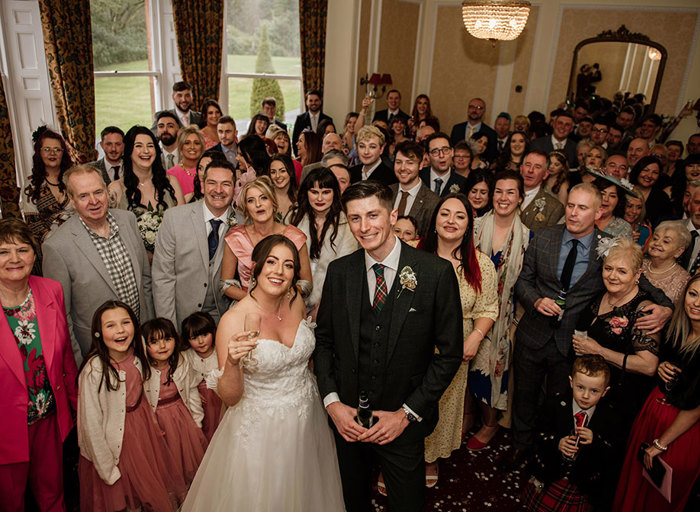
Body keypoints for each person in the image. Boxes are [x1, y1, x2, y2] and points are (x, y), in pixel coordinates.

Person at [313, 181, 463, 512]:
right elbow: (323, 341)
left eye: (372, 215)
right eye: (355, 218)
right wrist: (333, 404)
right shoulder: (340, 272)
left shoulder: (435, 274)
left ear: (392, 214)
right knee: (351, 501)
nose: (364, 227)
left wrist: (406, 414)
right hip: (349, 420)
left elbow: (450, 354)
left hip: (401, 423)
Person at [508, 183, 672, 470]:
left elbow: (641, 282)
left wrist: (666, 307)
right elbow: (523, 281)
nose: (573, 213)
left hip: (571, 342)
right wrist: (536, 301)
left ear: (598, 212)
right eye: (571, 205)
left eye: (582, 208)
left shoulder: (607, 246)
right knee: (524, 395)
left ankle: (552, 454)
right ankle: (520, 447)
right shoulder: (544, 237)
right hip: (533, 334)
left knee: (561, 403)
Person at [182, 235, 345, 510]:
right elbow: (230, 398)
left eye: (288, 265)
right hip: (261, 428)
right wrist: (233, 363)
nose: (279, 271)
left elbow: (304, 359)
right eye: (271, 262)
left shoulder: (295, 301)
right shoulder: (233, 321)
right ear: (255, 267)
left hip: (307, 416)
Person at [0, 219, 78, 511]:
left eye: (22, 249)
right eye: (4, 251)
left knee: (53, 496)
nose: (14, 259)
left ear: (35, 254)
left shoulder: (50, 290)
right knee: (10, 502)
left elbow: (65, 354)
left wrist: (75, 404)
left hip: (48, 415)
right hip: (4, 425)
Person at [77, 301, 185, 511]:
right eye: (110, 325)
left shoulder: (138, 355)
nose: (120, 330)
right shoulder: (95, 371)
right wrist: (106, 468)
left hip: (142, 434)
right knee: (122, 496)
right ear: (98, 333)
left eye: (125, 322)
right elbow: (90, 425)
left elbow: (144, 395)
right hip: (114, 445)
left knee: (149, 489)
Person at [42, 165, 154, 363]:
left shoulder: (128, 221)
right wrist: (79, 363)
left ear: (107, 191)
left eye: (98, 192)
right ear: (72, 201)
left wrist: (149, 330)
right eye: (83, 196)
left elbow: (145, 280)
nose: (93, 201)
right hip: (98, 352)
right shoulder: (56, 246)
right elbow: (61, 316)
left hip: (140, 340)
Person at [422, 194, 498, 481]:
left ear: (469, 225)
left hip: (456, 347)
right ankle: (400, 460)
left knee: (443, 403)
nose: (451, 221)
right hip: (414, 345)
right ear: (434, 220)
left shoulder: (481, 264)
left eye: (460, 216)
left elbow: (489, 307)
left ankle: (430, 458)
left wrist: (476, 337)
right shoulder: (416, 255)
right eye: (445, 214)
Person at [613, 274, 700, 512]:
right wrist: (661, 365)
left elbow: (695, 408)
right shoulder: (678, 329)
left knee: (657, 497)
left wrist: (661, 444)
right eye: (693, 294)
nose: (697, 303)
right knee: (635, 484)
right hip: (653, 413)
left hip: (680, 432)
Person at [572, 238, 661, 432]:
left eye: (622, 271)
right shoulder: (601, 293)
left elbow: (648, 365)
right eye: (608, 268)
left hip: (618, 400)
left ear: (637, 274)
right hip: (588, 392)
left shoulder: (644, 310)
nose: (612, 276)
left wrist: (598, 351)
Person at [472, 171, 530, 444]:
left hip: (506, 319)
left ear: (520, 198)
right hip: (471, 309)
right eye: (498, 191)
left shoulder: (528, 238)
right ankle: (466, 416)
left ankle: (490, 422)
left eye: (510, 192)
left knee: (491, 369)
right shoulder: (475, 227)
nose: (503, 197)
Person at [523, 355, 624, 512]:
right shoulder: (555, 404)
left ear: (605, 391)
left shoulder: (609, 416)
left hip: (582, 482)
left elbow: (614, 452)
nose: (585, 396)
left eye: (594, 391)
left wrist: (595, 440)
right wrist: (557, 442)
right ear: (571, 382)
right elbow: (538, 433)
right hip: (549, 474)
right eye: (580, 387)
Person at [152, 160, 239, 328]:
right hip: (182, 319)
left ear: (234, 189)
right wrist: (169, 329)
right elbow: (163, 278)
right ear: (202, 186)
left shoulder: (243, 223)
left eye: (226, 184)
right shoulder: (174, 219)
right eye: (212, 183)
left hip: (226, 321)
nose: (219, 190)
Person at [221, 176, 312, 303]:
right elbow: (225, 285)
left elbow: (306, 284)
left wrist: (281, 297)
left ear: (273, 203)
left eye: (264, 198)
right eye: (251, 200)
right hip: (248, 308)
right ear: (246, 208)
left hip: (285, 307)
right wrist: (256, 301)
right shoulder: (236, 237)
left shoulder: (295, 237)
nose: (258, 204)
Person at [142, 318, 207, 487]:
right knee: (164, 460)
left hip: (181, 420)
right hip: (158, 421)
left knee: (186, 459)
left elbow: (192, 391)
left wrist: (197, 422)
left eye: (167, 339)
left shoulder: (181, 363)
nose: (162, 346)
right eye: (154, 342)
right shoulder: (143, 370)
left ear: (176, 340)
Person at [288, 167, 357, 317]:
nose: (319, 199)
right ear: (306, 193)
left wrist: (321, 307)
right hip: (292, 295)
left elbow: (344, 275)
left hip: (331, 301)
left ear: (335, 193)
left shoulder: (346, 224)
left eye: (326, 192)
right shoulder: (294, 217)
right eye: (314, 192)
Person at [108, 126, 185, 256]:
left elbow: (183, 224)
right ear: (129, 151)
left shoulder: (171, 182)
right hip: (133, 260)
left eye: (150, 146)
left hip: (172, 257)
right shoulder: (115, 189)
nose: (146, 151)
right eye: (138, 146)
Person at [24, 126, 74, 247]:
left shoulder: (74, 178)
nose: (52, 153)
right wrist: (54, 242)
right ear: (39, 152)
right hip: (49, 245)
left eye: (57, 149)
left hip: (80, 240)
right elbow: (33, 223)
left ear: (63, 153)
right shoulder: (32, 184)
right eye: (47, 149)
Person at [181, 311, 222, 442]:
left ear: (213, 332)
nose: (200, 341)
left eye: (205, 335)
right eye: (194, 338)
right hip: (197, 403)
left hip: (220, 401)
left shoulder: (220, 352)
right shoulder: (186, 356)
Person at [390, 141, 440, 238]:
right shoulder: (386, 193)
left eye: (409, 163)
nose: (403, 168)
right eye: (398, 162)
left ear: (421, 165)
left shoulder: (433, 202)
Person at [642, 221, 691, 305]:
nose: (657, 243)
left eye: (666, 241)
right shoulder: (637, 264)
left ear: (678, 251)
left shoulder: (684, 281)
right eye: (655, 238)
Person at [519, 150, 565, 231]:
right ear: (521, 169)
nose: (530, 170)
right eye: (528, 165)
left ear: (545, 175)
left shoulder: (554, 207)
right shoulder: (503, 195)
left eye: (537, 167)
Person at [450, 97, 498, 163]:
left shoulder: (491, 133)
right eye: (471, 107)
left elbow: (491, 156)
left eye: (478, 108)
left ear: (484, 111)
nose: (474, 110)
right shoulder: (457, 128)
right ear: (468, 109)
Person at [419, 132, 467, 197]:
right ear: (427, 156)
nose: (441, 155)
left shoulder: (463, 183)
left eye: (445, 150)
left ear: (452, 152)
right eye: (435, 151)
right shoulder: (418, 177)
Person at [629, 155, 672, 227]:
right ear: (638, 170)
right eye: (645, 170)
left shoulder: (662, 198)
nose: (649, 175)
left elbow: (666, 224)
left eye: (655, 173)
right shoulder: (625, 190)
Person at [165, 125, 205, 201]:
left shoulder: (209, 171)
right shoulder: (170, 175)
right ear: (180, 147)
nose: (192, 147)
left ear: (202, 147)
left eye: (196, 143)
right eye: (187, 143)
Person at [292, 89, 333, 154]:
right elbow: (295, 140)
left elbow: (332, 138)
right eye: (311, 100)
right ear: (306, 102)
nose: (313, 103)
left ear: (320, 101)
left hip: (323, 155)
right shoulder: (300, 119)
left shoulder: (328, 119)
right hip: (306, 155)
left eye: (316, 100)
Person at [269, 153, 298, 221]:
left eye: (282, 171)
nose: (277, 176)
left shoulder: (300, 197)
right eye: (273, 172)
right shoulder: (265, 196)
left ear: (290, 171)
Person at [625, 186, 653, 250]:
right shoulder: (609, 224)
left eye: (639, 207)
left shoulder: (645, 231)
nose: (634, 211)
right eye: (629, 206)